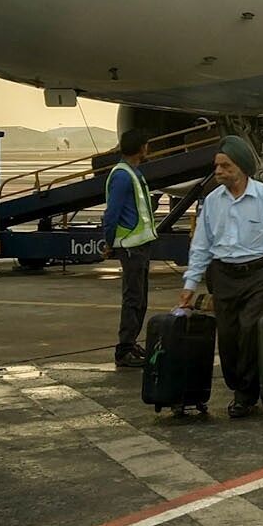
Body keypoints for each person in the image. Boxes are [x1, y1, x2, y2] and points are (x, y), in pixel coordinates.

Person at [177, 135, 263, 419]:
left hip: (258, 274)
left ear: (242, 168)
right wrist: (190, 285)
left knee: (250, 331)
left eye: (225, 166)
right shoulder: (212, 201)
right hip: (223, 275)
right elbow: (201, 247)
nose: (218, 171)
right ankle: (238, 385)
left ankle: (245, 394)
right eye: (217, 166)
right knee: (229, 337)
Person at [101, 128, 158, 369]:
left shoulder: (133, 173)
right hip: (131, 247)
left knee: (140, 299)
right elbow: (111, 214)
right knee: (133, 298)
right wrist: (109, 242)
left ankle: (131, 342)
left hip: (140, 245)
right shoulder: (123, 176)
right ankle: (124, 349)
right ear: (141, 147)